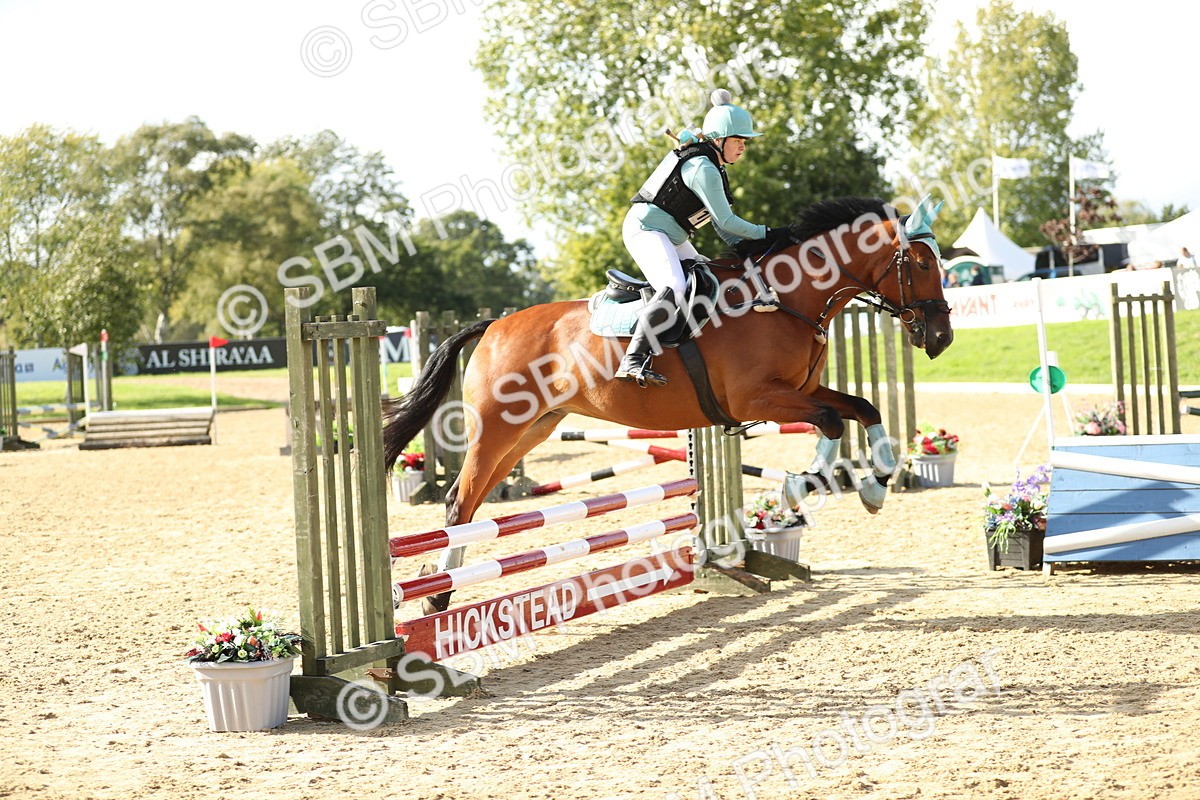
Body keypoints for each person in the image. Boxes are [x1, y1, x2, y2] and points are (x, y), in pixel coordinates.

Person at [616, 89, 791, 388]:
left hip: (671, 234)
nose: (743, 148)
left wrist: (752, 249)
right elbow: (727, 221)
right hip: (645, 229)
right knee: (674, 285)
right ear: (719, 139)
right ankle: (632, 359)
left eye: (744, 142)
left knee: (708, 278)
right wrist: (770, 233)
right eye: (739, 141)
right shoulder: (703, 168)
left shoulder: (713, 166)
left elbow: (722, 229)